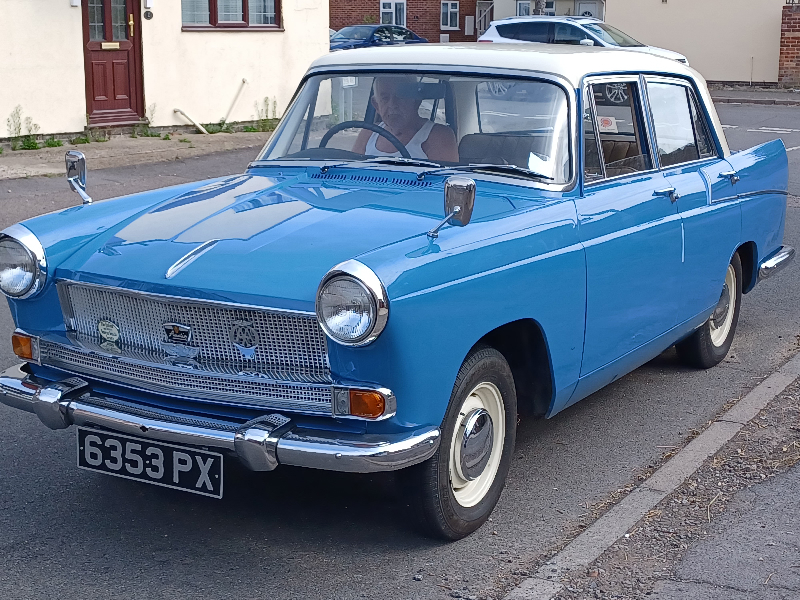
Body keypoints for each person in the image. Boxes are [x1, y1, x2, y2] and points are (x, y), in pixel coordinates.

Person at [352, 76, 459, 163]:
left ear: (416, 101)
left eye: (400, 96)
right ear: (376, 105)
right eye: (385, 98)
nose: (392, 105)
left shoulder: (438, 136)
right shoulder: (368, 133)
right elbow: (350, 174)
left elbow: (442, 183)